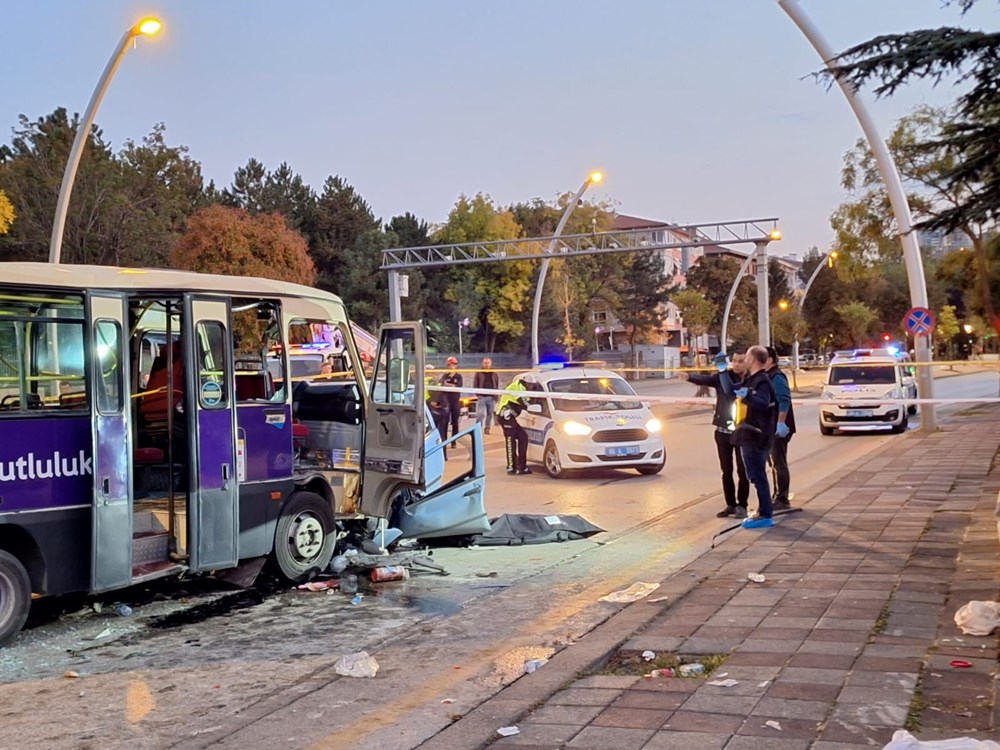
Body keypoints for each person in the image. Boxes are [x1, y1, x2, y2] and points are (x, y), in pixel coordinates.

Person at [687, 352, 750, 518]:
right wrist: (688, 376)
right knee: (726, 470)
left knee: (743, 471)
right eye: (734, 361)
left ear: (748, 362)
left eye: (741, 361)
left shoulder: (751, 380)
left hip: (743, 432)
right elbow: (705, 380)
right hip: (722, 431)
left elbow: (731, 390)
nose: (736, 364)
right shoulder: (723, 376)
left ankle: (742, 505)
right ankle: (731, 504)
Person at [733, 345, 777, 528]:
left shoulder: (762, 381)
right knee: (754, 474)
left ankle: (765, 513)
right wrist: (722, 372)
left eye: (746, 356)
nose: (745, 359)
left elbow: (763, 403)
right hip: (748, 433)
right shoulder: (751, 379)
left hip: (756, 435)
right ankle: (763, 511)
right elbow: (730, 389)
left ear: (752, 359)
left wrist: (748, 397)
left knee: (757, 475)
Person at [765, 346, 795, 511]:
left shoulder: (776, 377)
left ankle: (782, 498)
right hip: (769, 426)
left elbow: (784, 400)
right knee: (773, 463)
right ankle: (777, 495)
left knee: (778, 462)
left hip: (778, 427)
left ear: (769, 360)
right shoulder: (767, 376)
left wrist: (780, 422)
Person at [495, 377, 531, 475]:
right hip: (505, 415)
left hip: (511, 416)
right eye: (531, 385)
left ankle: (522, 466)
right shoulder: (517, 387)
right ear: (526, 383)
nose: (532, 387)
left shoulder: (523, 387)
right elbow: (524, 403)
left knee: (523, 437)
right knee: (510, 441)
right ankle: (511, 467)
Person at [439, 357, 464, 445]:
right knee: (444, 422)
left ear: (456, 366)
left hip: (455, 401)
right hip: (446, 401)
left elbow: (458, 386)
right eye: (449, 365)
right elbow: (441, 383)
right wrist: (451, 385)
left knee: (455, 421)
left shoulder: (458, 376)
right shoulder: (445, 375)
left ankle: (454, 441)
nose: (451, 367)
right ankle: (444, 441)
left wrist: (448, 385)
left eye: (453, 365)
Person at [473, 357, 499, 434]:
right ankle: (478, 429)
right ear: (483, 364)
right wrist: (477, 394)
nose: (487, 364)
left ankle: (487, 428)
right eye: (485, 363)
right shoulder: (478, 373)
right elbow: (475, 384)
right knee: (480, 414)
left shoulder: (494, 373)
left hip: (491, 397)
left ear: (491, 364)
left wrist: (496, 396)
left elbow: (496, 384)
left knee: (490, 414)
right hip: (482, 396)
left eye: (488, 363)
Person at [424, 365, 449, 445]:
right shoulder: (435, 381)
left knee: (432, 432)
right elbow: (439, 395)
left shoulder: (427, 381)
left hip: (430, 408)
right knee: (440, 432)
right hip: (436, 409)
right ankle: (442, 449)